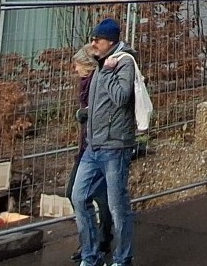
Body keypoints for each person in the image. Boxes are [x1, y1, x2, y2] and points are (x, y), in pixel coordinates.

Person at [72, 17, 137, 266]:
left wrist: (109, 71)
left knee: (117, 206)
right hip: (94, 145)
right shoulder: (101, 63)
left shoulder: (123, 62)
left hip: (115, 146)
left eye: (96, 39)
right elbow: (100, 101)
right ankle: (90, 257)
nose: (92, 44)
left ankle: (122, 259)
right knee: (79, 197)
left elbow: (121, 98)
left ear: (109, 41)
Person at [68, 45, 112, 265]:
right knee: (98, 195)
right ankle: (96, 241)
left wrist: (85, 113)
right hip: (87, 147)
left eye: (77, 65)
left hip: (99, 147)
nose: (75, 69)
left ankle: (95, 243)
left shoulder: (98, 80)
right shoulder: (85, 84)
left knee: (78, 193)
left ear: (87, 65)